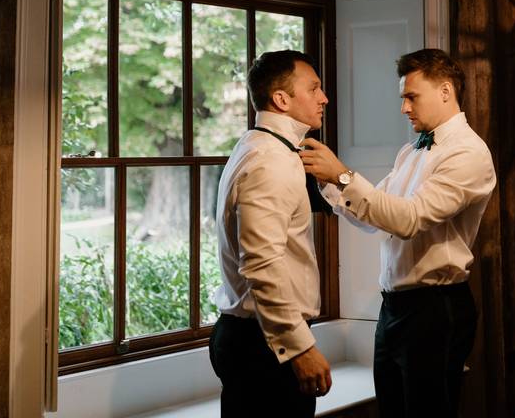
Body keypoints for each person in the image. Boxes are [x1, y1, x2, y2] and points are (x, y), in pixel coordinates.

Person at [300, 48, 496, 418]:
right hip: (394, 308)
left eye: (411, 97)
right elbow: (376, 215)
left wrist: (343, 175)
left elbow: (408, 220)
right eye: (403, 98)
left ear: (445, 91)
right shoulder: (411, 151)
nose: (404, 108)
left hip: (436, 308)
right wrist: (328, 186)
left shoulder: (468, 153)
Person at [209, 50, 333, 417]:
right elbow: (262, 263)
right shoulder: (270, 162)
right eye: (314, 88)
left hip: (257, 338)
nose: (324, 97)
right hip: (263, 346)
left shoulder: (261, 147)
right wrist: (299, 348)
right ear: (281, 99)